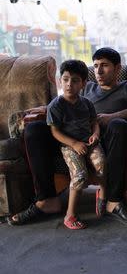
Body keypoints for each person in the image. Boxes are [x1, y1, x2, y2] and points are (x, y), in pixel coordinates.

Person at [7, 47, 127, 226]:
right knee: (34, 129)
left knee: (118, 125)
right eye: (95, 66)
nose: (98, 71)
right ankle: (47, 200)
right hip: (73, 137)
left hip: (109, 136)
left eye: (104, 65)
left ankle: (114, 201)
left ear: (118, 68)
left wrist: (112, 117)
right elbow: (65, 102)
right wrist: (45, 109)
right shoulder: (86, 87)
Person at [47, 60, 106, 230]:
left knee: (102, 164)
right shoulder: (56, 106)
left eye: (74, 81)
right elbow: (55, 132)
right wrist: (74, 144)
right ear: (60, 81)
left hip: (90, 142)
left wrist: (96, 134)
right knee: (79, 175)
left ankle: (102, 193)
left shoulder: (86, 103)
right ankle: (70, 215)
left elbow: (94, 122)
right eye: (65, 79)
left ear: (83, 84)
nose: (69, 84)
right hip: (70, 146)